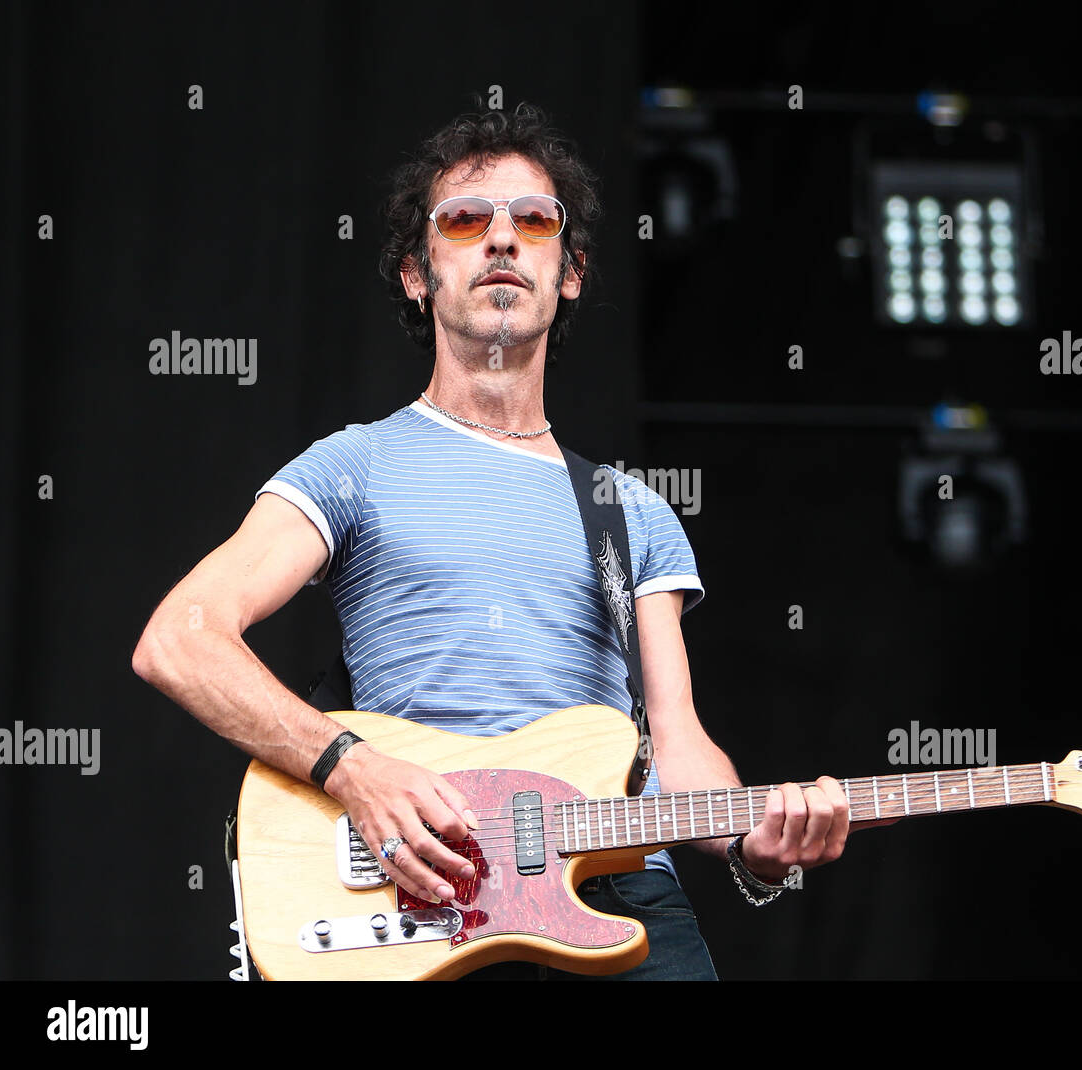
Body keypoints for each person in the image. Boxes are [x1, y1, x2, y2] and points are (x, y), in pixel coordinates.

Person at [132, 103, 862, 981]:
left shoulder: (626, 509)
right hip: (425, 888)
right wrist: (351, 770)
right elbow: (180, 639)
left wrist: (760, 844)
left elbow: (674, 745)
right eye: (467, 220)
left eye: (536, 220)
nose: (503, 240)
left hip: (618, 898)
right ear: (416, 274)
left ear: (573, 271)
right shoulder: (354, 464)